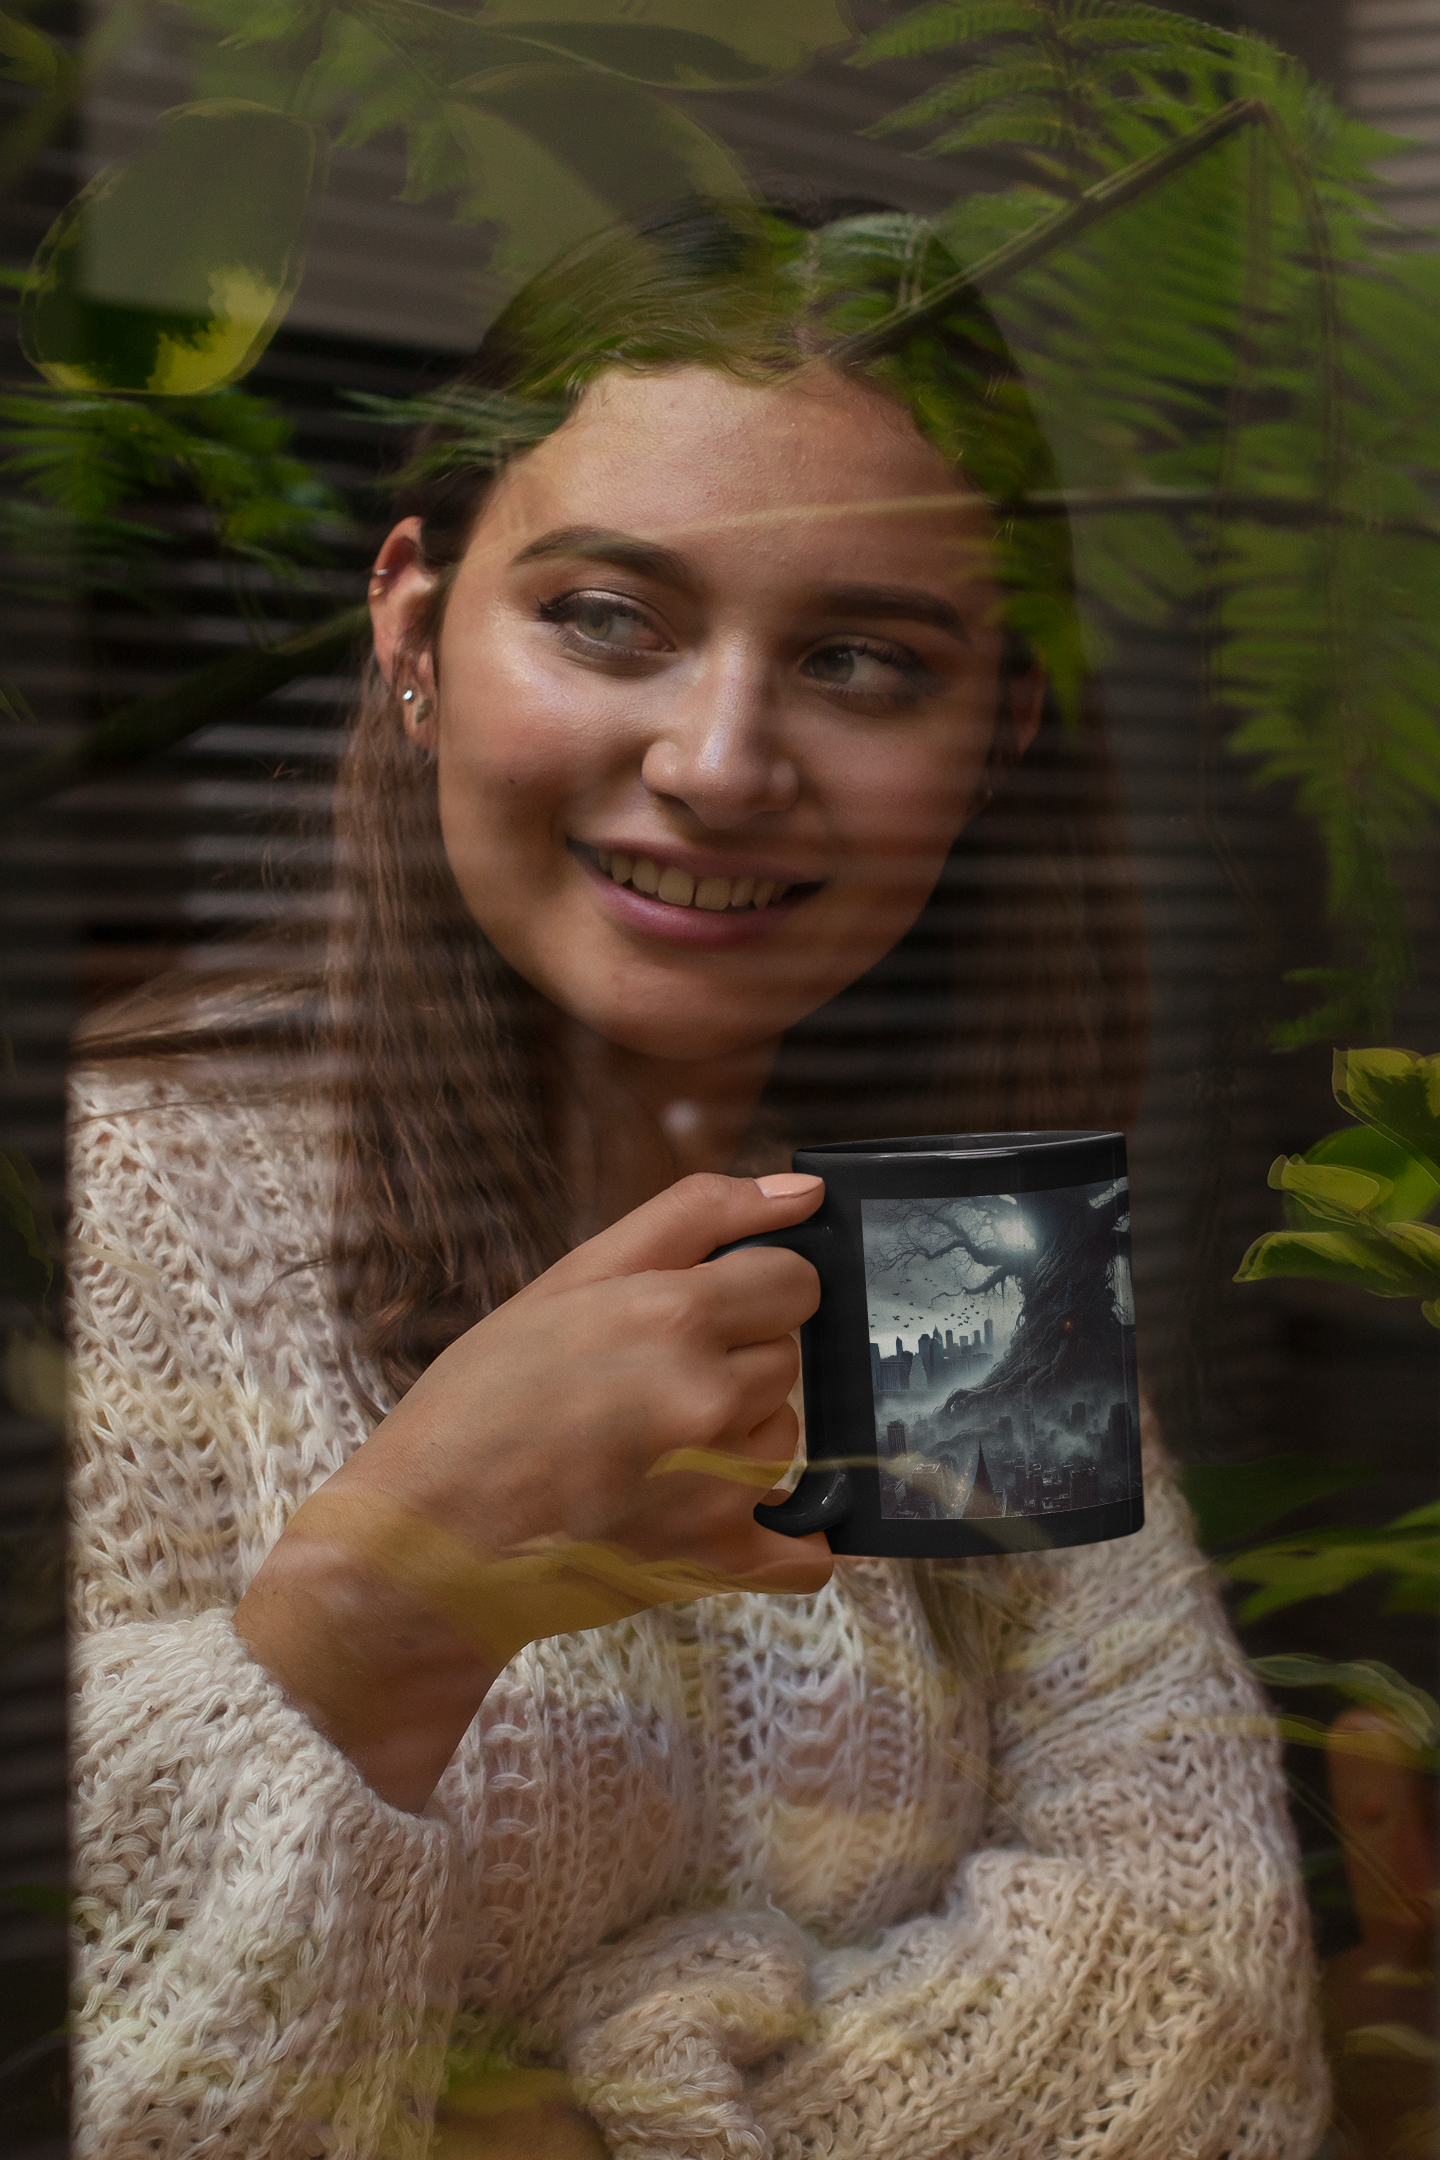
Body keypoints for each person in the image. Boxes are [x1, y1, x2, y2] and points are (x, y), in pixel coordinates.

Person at [68, 203, 1326, 2158]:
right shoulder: (106, 1215)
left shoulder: (954, 1264)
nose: (723, 762)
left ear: (995, 733)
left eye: (858, 660)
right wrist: (389, 1585)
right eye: (607, 620)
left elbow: (1212, 2017)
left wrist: (610, 2099)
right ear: (414, 633)